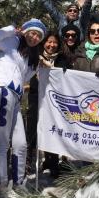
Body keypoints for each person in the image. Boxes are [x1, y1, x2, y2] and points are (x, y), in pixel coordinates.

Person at [0, 18, 46, 196]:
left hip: (16, 98)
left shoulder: (27, 54)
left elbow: (25, 78)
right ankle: (2, 185)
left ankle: (18, 183)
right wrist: (11, 30)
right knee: (2, 142)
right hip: (2, 91)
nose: (34, 37)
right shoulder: (11, 41)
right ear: (25, 31)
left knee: (21, 143)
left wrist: (38, 65)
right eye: (32, 33)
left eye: (38, 36)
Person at [27, 32, 63, 178]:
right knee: (32, 128)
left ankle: (52, 162)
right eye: (49, 42)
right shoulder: (35, 57)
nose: (51, 45)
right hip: (36, 97)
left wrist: (52, 69)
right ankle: (28, 163)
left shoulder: (61, 59)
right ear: (44, 43)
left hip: (54, 100)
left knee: (52, 129)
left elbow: (65, 76)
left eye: (54, 42)